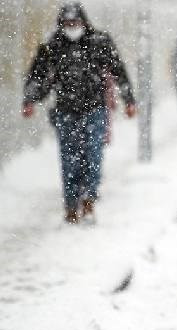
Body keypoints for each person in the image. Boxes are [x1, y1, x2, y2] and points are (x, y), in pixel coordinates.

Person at [22, 2, 136, 224]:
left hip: (95, 109)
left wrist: (129, 99)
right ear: (61, 24)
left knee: (93, 155)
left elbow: (118, 70)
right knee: (69, 159)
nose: (72, 27)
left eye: (75, 22)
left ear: (84, 22)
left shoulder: (99, 42)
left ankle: (89, 199)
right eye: (68, 23)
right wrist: (30, 99)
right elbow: (37, 74)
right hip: (65, 111)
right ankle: (71, 204)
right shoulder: (52, 45)